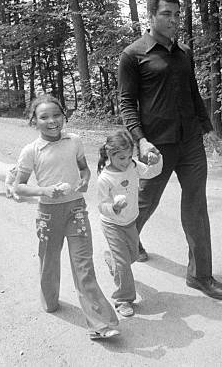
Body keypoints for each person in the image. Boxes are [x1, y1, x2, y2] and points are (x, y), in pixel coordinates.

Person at [118, 0, 222, 301]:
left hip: (190, 141)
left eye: (177, 15)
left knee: (196, 206)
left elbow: (193, 93)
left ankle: (200, 276)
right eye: (166, 14)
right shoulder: (133, 55)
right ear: (151, 16)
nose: (173, 20)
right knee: (144, 203)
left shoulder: (184, 53)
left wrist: (207, 128)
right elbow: (126, 102)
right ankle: (123, 250)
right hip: (156, 145)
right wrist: (140, 141)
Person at [14, 95, 120, 340]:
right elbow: (18, 187)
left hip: (76, 210)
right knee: (49, 262)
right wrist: (44, 190)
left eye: (56, 115)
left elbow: (84, 168)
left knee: (84, 266)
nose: (52, 121)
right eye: (44, 117)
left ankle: (101, 323)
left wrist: (84, 179)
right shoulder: (31, 151)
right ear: (34, 121)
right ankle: (49, 299)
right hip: (48, 215)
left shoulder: (74, 141)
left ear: (64, 116)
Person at [96, 129, 163, 317]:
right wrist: (114, 209)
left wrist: (157, 160)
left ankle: (112, 260)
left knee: (132, 256)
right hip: (112, 224)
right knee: (124, 263)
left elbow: (150, 173)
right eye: (121, 159)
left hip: (130, 220)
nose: (125, 162)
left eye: (128, 157)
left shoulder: (133, 166)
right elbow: (102, 205)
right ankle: (123, 299)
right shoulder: (105, 178)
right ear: (110, 155)